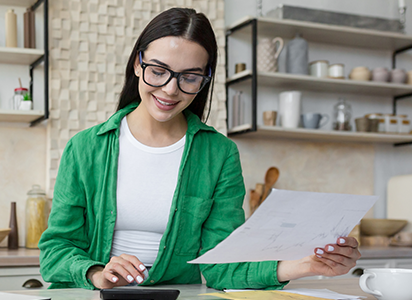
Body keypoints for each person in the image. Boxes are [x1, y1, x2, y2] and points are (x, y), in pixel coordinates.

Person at [38, 7, 360, 290]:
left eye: (189, 77)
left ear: (204, 80)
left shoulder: (219, 155)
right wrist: (96, 273)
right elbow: (56, 251)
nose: (170, 89)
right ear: (138, 64)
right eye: (158, 71)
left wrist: (305, 265)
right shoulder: (84, 149)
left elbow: (222, 266)